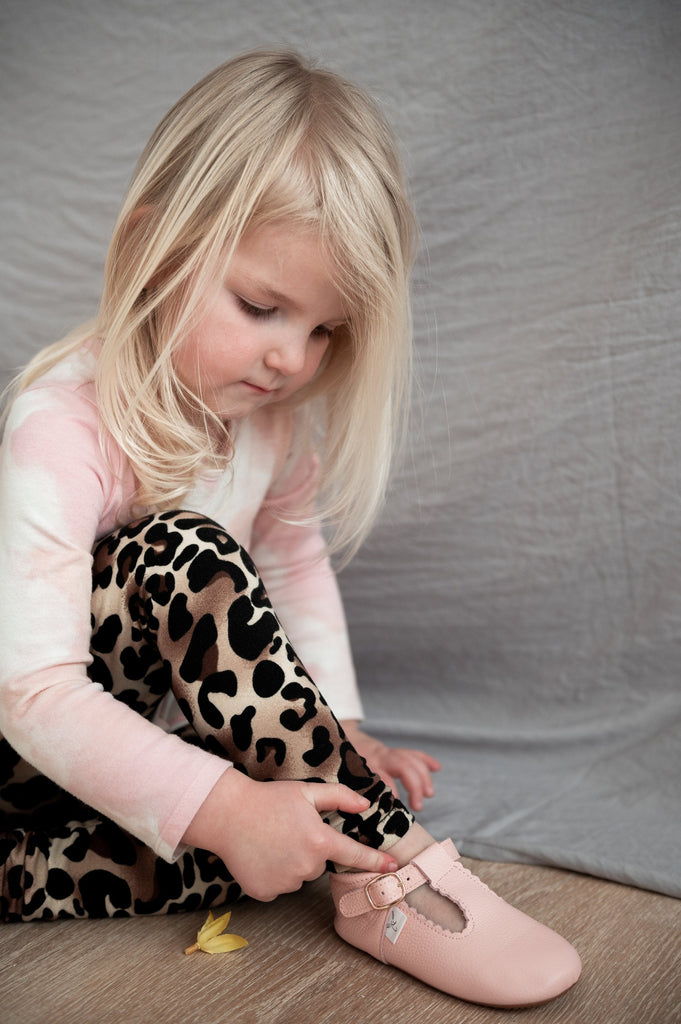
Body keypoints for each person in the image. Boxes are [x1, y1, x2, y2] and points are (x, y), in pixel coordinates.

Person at [0, 50, 580, 1007]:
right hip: (25, 758)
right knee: (180, 554)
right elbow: (32, 694)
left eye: (323, 331)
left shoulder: (266, 424)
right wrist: (225, 804)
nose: (290, 358)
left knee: (296, 840)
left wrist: (337, 734)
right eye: (262, 307)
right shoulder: (60, 427)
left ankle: (353, 853)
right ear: (156, 247)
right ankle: (401, 866)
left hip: (102, 791)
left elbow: (296, 567)